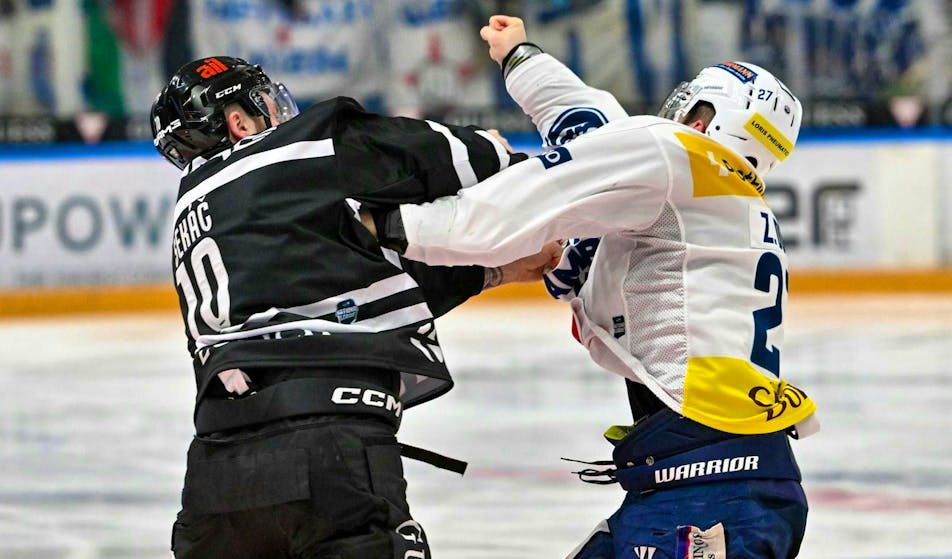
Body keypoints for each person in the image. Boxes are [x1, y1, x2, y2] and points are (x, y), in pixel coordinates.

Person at [363, 15, 820, 559]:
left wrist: (388, 227)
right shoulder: (718, 192)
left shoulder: (674, 156)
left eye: (692, 104)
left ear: (709, 118)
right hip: (720, 474)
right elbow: (586, 120)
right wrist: (520, 57)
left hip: (709, 489)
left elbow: (515, 208)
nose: (675, 112)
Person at [150, 55, 558, 559]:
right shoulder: (305, 147)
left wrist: (496, 271)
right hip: (330, 455)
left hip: (214, 479)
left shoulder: (192, 209)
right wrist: (507, 157)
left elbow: (345, 294)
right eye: (260, 104)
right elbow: (455, 159)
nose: (275, 113)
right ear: (238, 122)